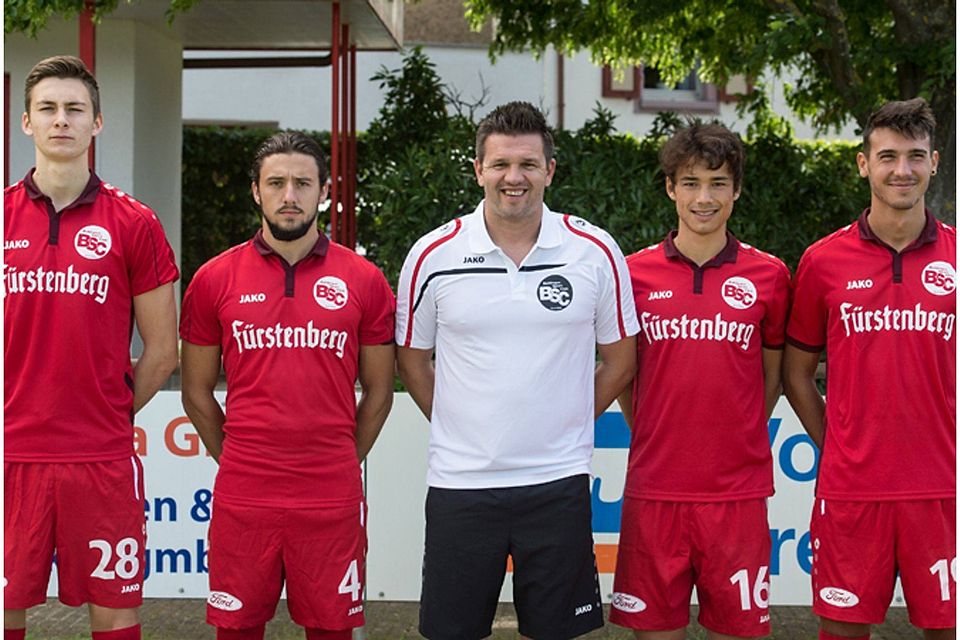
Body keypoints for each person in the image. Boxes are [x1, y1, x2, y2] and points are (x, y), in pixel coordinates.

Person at [395, 101, 639, 640]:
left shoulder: (594, 251)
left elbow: (621, 360)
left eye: (528, 164)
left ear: (550, 170)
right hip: (461, 483)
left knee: (555, 633)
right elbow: (412, 359)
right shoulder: (432, 255)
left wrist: (570, 417)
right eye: (501, 164)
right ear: (478, 169)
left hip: (558, 481)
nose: (514, 177)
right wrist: (460, 421)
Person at [179, 131, 396, 640]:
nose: (289, 195)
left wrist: (340, 456)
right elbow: (196, 392)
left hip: (330, 495)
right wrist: (235, 457)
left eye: (303, 182)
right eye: (276, 183)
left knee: (331, 632)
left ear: (325, 191)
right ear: (256, 190)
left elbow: (380, 394)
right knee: (236, 629)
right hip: (244, 493)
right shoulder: (214, 279)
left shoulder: (364, 280)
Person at [3, 55, 180, 640]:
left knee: (115, 612)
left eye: (74, 109)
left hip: (100, 460)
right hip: (9, 458)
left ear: (96, 123)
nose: (62, 120)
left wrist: (108, 412)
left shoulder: (135, 222)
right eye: (48, 109)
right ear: (25, 122)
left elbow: (162, 351)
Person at [608, 123, 790, 640]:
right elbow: (625, 373)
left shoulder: (770, 276)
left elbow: (769, 381)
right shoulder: (631, 274)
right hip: (655, 490)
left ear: (736, 189)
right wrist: (652, 424)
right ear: (670, 188)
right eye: (690, 183)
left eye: (717, 182)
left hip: (737, 495)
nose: (703, 198)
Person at [783, 98, 955, 640]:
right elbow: (796, 373)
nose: (901, 170)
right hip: (853, 490)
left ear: (934, 163)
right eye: (887, 156)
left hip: (945, 489)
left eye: (914, 156)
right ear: (864, 164)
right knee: (842, 630)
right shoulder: (823, 261)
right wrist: (836, 442)